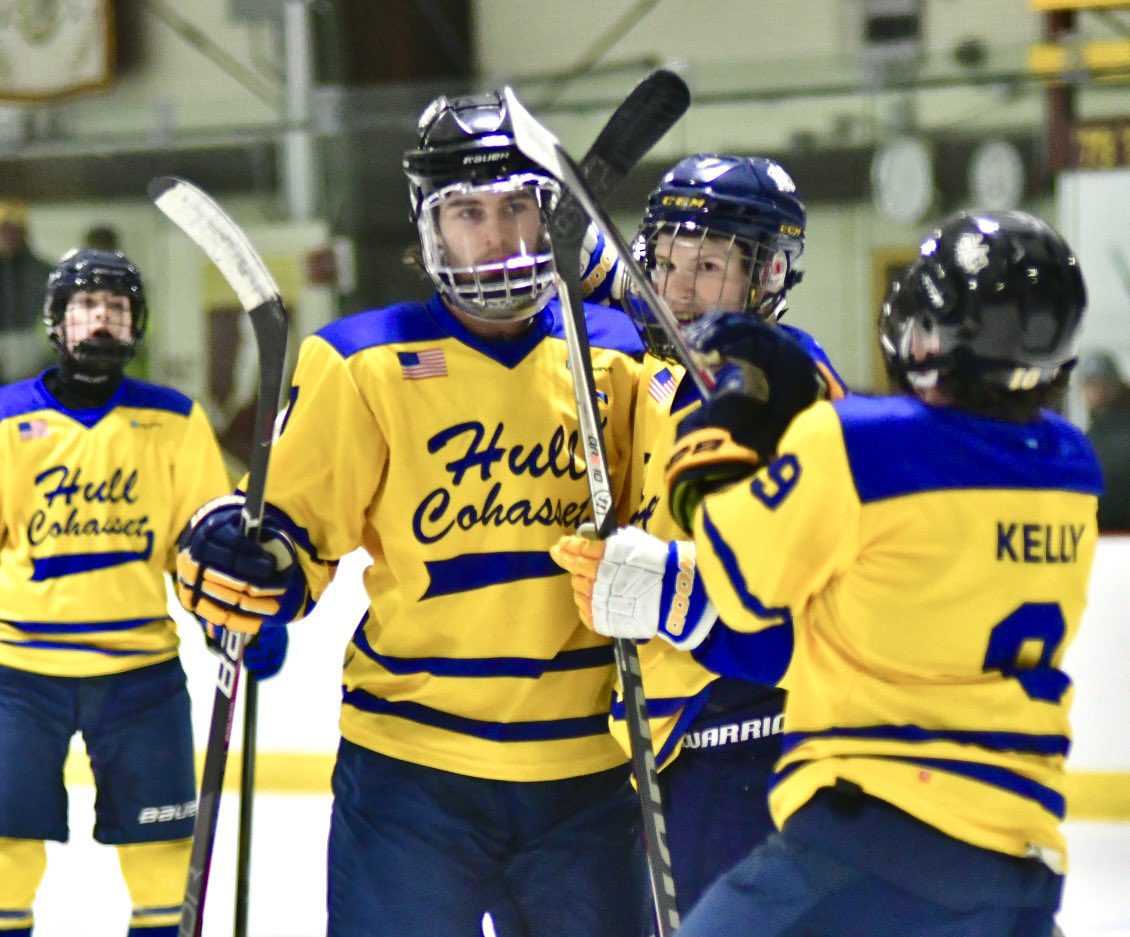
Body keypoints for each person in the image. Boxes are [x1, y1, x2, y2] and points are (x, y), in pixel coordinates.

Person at [173, 91, 649, 937]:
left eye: (516, 208)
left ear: (550, 217)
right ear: (429, 226)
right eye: (468, 212)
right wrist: (246, 563)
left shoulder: (612, 353)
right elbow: (293, 534)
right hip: (410, 778)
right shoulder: (361, 361)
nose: (497, 236)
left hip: (588, 771)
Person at [554, 209, 1100, 937]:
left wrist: (721, 458)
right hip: (1020, 846)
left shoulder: (851, 445)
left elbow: (742, 586)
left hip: (870, 832)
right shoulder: (1069, 464)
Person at [579, 153, 848, 917]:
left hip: (745, 734)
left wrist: (676, 591)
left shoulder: (784, 386)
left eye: (707, 265)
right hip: (675, 744)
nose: (677, 288)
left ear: (766, 277)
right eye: (662, 262)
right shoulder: (677, 364)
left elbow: (809, 577)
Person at [0, 248, 279, 937]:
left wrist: (234, 614)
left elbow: (203, 540)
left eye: (117, 307)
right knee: (3, 856)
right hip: (17, 675)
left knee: (163, 860)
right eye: (88, 306)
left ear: (138, 323)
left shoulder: (174, 419)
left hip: (140, 677)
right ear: (57, 321)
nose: (103, 319)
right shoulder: (7, 418)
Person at [0, 199, 54, 382]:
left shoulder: (44, 272)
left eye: (14, 230)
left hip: (34, 349)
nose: (8, 236)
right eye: (3, 230)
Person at [1078, 350, 1130, 531]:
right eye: (1091, 384)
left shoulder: (1096, 437)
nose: (1097, 390)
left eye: (1103, 383)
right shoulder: (1092, 435)